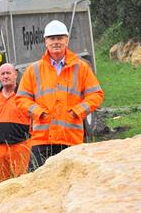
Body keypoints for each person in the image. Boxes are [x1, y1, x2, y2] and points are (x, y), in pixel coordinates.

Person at [16, 20, 104, 170]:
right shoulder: (34, 70)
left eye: (60, 38)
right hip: (42, 141)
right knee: (39, 185)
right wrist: (38, 112)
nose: (56, 42)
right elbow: (21, 99)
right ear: (45, 42)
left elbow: (96, 94)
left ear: (67, 40)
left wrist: (78, 111)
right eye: (52, 38)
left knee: (72, 184)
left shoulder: (81, 67)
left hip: (71, 139)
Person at [0, 63, 31, 185]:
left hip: (20, 146)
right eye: (3, 74)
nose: (5, 76)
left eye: (8, 73)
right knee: (1, 186)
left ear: (15, 75)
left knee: (22, 183)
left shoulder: (24, 96)